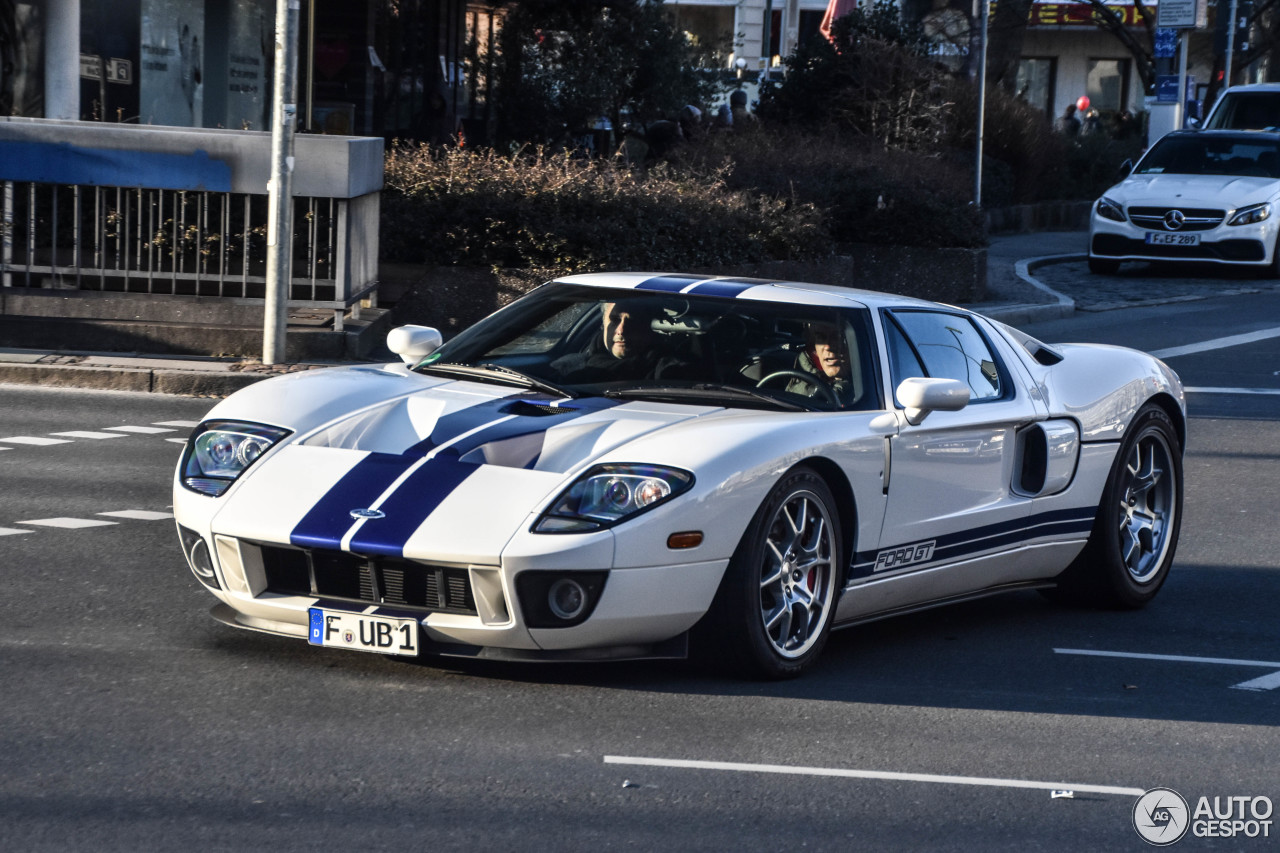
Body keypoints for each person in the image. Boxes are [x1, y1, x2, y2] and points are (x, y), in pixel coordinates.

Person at [551, 300, 680, 383]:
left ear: (646, 328)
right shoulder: (566, 368)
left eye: (633, 321)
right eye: (614, 320)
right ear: (603, 325)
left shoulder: (670, 375)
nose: (621, 330)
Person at [785, 321, 859, 406]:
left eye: (838, 337)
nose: (828, 346)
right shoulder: (800, 384)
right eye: (820, 338)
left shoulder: (872, 385)